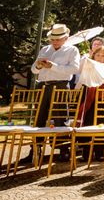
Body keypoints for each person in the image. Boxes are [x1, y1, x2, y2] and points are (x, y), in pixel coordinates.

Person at [29, 23, 80, 162]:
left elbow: (74, 69)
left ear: (65, 38)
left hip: (61, 85)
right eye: (53, 39)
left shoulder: (72, 50)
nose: (55, 41)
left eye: (58, 39)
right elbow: (33, 69)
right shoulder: (45, 49)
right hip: (43, 85)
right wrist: (39, 65)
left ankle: (63, 150)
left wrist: (53, 66)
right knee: (39, 117)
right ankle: (35, 149)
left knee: (61, 117)